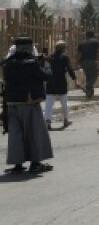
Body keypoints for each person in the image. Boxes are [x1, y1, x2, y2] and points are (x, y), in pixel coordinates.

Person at [4, 37, 54, 174]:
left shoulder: (7, 63)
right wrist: (45, 63)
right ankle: (35, 163)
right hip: (29, 102)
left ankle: (17, 165)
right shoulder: (32, 63)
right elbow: (46, 76)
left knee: (15, 135)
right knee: (34, 132)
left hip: (12, 103)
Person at [44, 41, 79, 129]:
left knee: (49, 103)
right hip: (61, 81)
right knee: (64, 102)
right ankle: (66, 120)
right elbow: (70, 69)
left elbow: (46, 68)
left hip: (51, 81)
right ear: (63, 48)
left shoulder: (50, 57)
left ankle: (47, 121)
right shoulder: (64, 57)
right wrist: (75, 80)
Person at [77, 30, 99, 100]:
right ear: (93, 35)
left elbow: (78, 54)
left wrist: (78, 62)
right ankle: (88, 87)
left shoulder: (82, 43)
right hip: (92, 61)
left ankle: (89, 93)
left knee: (88, 76)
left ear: (86, 35)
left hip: (83, 62)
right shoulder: (95, 42)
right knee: (95, 74)